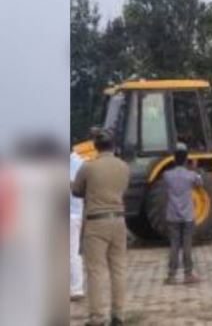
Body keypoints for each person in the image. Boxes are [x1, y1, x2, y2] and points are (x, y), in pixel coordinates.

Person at [71, 128, 130, 326]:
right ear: (113, 145)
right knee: (119, 269)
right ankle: (119, 315)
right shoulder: (124, 167)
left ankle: (97, 318)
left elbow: (77, 190)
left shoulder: (89, 167)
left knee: (95, 271)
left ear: (96, 146)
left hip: (96, 223)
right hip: (119, 221)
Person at [163, 142, 203, 285]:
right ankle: (188, 274)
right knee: (187, 245)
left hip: (172, 215)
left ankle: (171, 275)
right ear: (186, 159)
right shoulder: (191, 175)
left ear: (174, 159)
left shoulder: (167, 175)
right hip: (187, 216)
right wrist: (195, 168)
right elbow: (200, 183)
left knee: (174, 245)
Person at [70, 151, 85, 301]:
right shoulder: (82, 162)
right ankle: (76, 288)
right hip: (76, 213)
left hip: (71, 212)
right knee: (74, 251)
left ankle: (75, 287)